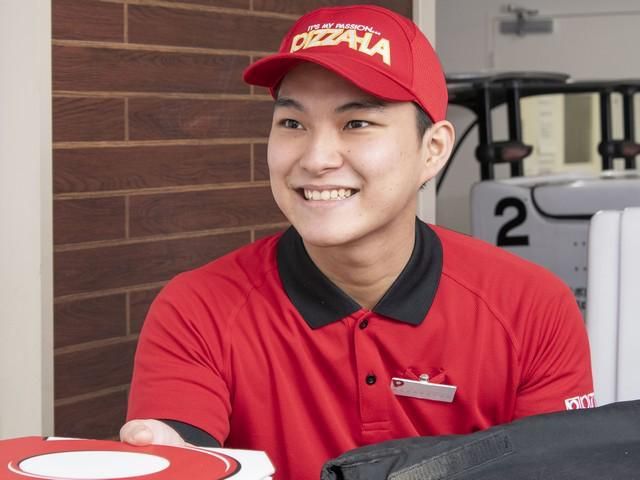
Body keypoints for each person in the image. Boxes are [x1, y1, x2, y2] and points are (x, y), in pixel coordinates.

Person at [121, 5, 594, 479]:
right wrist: (170, 457)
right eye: (293, 124)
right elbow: (180, 451)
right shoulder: (198, 308)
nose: (316, 158)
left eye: (357, 123)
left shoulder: (531, 307)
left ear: (433, 150)